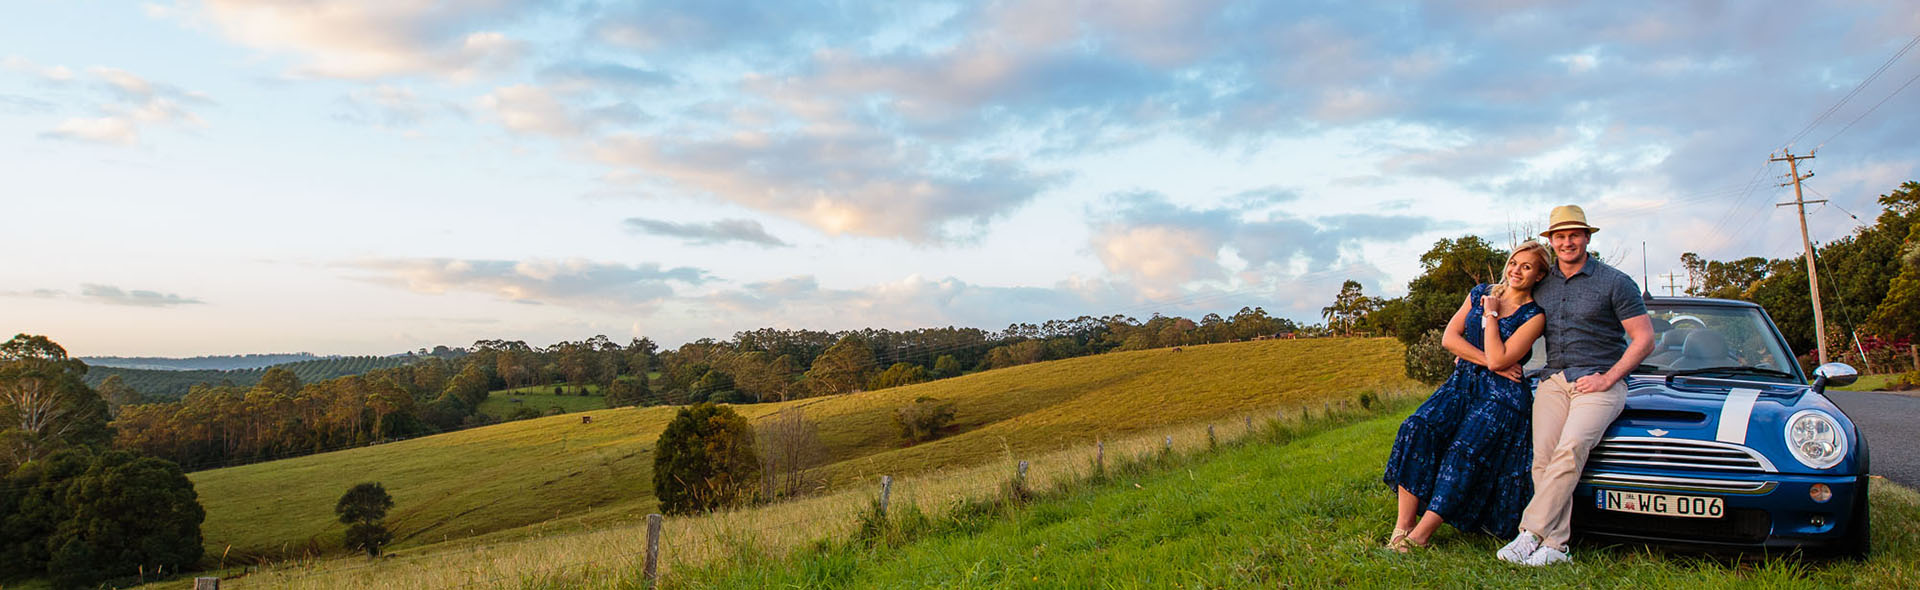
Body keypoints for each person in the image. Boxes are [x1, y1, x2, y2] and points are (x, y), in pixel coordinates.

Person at [1497, 205, 1655, 566]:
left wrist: (1609, 378)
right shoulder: (1542, 282)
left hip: (1599, 383)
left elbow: (1644, 339)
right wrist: (1471, 354)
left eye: (1574, 234)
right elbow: (1504, 308)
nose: (1567, 242)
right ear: (1551, 242)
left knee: (1571, 449)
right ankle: (1556, 546)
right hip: (1554, 379)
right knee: (1542, 460)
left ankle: (1529, 534)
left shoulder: (1615, 282)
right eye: (1560, 236)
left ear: (1587, 237)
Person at [1381, 240, 1552, 552]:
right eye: (1514, 262)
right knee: (1415, 428)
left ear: (1539, 276)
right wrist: (1489, 361)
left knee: (1464, 452)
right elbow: (1450, 338)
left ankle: (1420, 536)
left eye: (1527, 267)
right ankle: (1403, 525)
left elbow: (1502, 359)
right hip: (1462, 383)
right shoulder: (1480, 292)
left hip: (1503, 397)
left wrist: (1491, 317)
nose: (1516, 271)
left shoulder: (1534, 316)